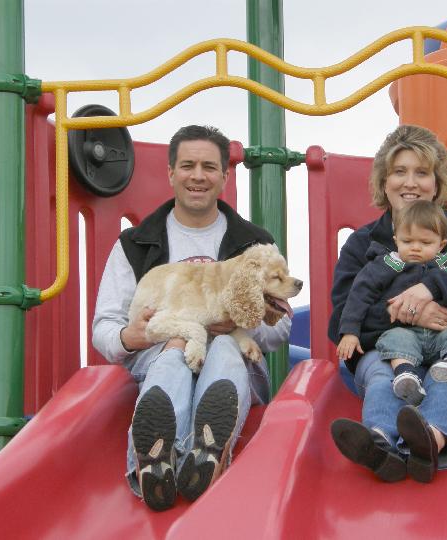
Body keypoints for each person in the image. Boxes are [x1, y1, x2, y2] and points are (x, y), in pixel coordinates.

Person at [92, 125, 290, 511]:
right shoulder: (136, 244)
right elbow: (104, 326)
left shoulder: (254, 244)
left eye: (209, 167)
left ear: (224, 176)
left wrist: (239, 322)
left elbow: (280, 324)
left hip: (234, 358)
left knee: (225, 348)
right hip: (161, 351)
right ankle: (174, 460)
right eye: (187, 166)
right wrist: (131, 337)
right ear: (171, 173)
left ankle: (191, 455)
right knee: (175, 350)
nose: (197, 176)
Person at [329, 124, 447, 484]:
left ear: (437, 182)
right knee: (383, 377)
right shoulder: (364, 244)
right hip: (391, 350)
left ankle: (429, 441)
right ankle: (379, 442)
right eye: (399, 172)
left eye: (422, 172)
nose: (410, 183)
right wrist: (406, 312)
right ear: (384, 182)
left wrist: (435, 287)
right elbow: (341, 316)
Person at [336, 200, 447, 406]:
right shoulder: (387, 264)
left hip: (442, 336)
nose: (415, 248)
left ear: (441, 244)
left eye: (425, 243)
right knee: (394, 338)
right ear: (396, 241)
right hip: (405, 332)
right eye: (407, 241)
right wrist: (350, 331)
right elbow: (359, 295)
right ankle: (405, 374)